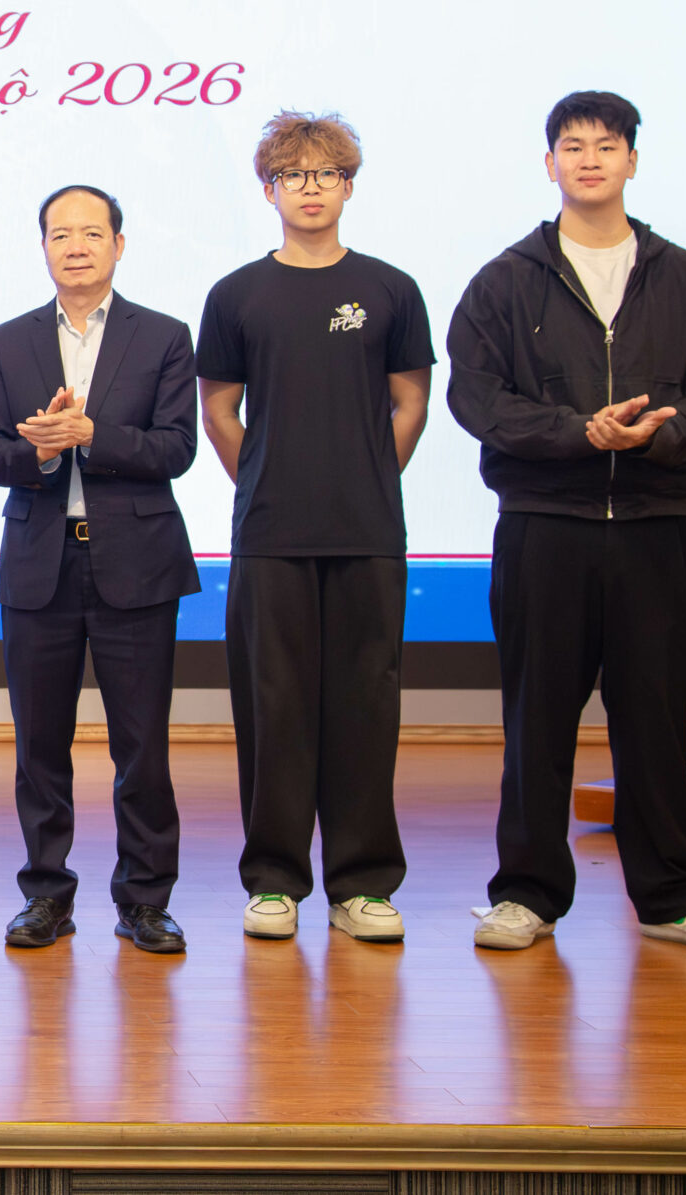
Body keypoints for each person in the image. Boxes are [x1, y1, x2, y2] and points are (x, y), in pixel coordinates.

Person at [448, 89, 686, 957]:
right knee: (538, 720)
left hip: (658, 523)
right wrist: (576, 431)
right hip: (545, 526)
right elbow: (478, 396)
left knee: (655, 720)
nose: (590, 159)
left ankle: (674, 897)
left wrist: (663, 432)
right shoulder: (505, 281)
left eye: (607, 144)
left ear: (632, 160)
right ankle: (525, 894)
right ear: (549, 162)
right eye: (573, 145)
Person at [198, 110, 433, 945]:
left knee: (366, 705)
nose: (310, 188)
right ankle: (274, 881)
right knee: (274, 709)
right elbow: (219, 410)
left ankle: (363, 883)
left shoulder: (390, 289)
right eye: (293, 174)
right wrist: (269, 477)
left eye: (326, 173)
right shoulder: (236, 294)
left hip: (368, 531)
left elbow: (411, 401)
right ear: (269, 189)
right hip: (270, 534)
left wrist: (365, 473)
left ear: (348, 186)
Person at [0, 185, 199, 955]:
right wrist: (40, 450)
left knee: (142, 745)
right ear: (43, 246)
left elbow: (176, 447)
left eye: (92, 233)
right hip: (39, 562)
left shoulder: (163, 336)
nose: (76, 246)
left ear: (118, 245)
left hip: (138, 562)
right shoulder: (7, 341)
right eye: (60, 233)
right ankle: (46, 895)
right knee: (40, 746)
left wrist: (93, 432)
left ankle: (146, 900)